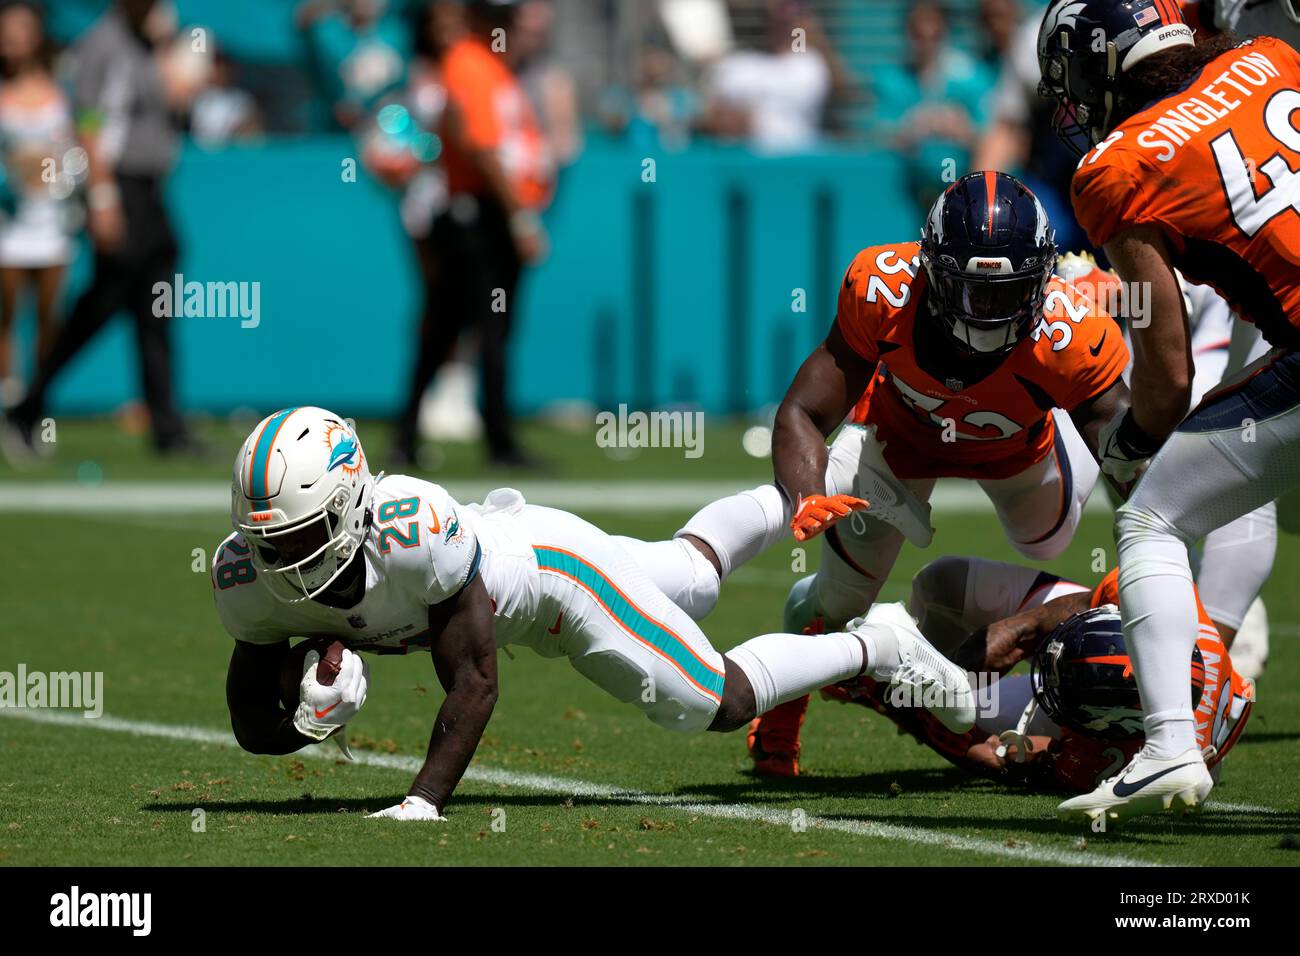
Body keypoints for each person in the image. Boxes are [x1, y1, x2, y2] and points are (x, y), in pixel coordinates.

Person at [213, 406, 975, 819]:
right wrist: (307, 719)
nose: (288, 561)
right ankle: (822, 481)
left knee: (709, 700)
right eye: (271, 542)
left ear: (351, 506)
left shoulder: (411, 531)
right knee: (692, 575)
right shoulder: (248, 575)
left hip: (559, 579)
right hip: (531, 546)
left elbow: (475, 682)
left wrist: (421, 802)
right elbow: (252, 721)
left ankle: (877, 646)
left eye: (306, 536)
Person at [723, 171, 1130, 777]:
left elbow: (1134, 454)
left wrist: (1156, 554)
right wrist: (808, 499)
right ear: (931, 268)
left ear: (1042, 280)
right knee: (836, 602)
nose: (987, 310)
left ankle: (1066, 385)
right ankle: (783, 705)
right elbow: (805, 411)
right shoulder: (884, 288)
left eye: (1007, 292)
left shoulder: (1070, 333)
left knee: (1044, 540)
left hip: (1021, 451)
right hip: (898, 446)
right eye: (971, 291)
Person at [1037, 0, 1300, 822]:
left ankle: (1168, 747)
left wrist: (1134, 440)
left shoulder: (1113, 168)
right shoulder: (1270, 59)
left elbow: (1167, 364)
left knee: (1152, 517)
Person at [822, 555, 1254, 794]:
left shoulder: (1111, 759)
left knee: (963, 706)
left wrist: (899, 705)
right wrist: (1021, 629)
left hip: (1119, 735)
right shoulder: (1166, 604)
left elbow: (1001, 758)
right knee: (945, 581)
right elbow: (1095, 597)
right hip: (1127, 702)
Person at [3, 0, 191, 457]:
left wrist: (167, 46)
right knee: (101, 305)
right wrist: (103, 196)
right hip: (119, 187)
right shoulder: (102, 45)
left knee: (156, 309)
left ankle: (166, 426)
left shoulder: (147, 43)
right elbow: (89, 120)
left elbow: (177, 101)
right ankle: (29, 403)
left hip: (149, 190)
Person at [393, 0, 553, 469]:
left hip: (483, 216)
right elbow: (479, 145)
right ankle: (497, 440)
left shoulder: (491, 66)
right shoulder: (469, 63)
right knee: (480, 329)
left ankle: (413, 435)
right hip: (477, 219)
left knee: (454, 328)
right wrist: (519, 215)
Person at [0, 0, 74, 407]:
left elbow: (78, 146)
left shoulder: (64, 88)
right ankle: (8, 404)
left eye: (20, 30)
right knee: (6, 318)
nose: (11, 40)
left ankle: (36, 407)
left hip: (51, 223)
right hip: (8, 224)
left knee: (49, 322)